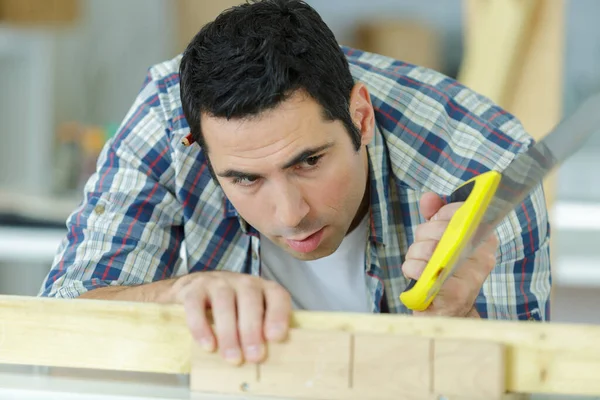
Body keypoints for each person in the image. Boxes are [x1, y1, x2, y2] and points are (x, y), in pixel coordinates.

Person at [39, 0, 551, 366]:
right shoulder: (167, 121)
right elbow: (60, 322)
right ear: (200, 148)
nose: (289, 215)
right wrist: (176, 295)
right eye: (244, 178)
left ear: (361, 115)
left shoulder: (487, 163)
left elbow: (522, 383)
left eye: (308, 162)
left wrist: (460, 320)